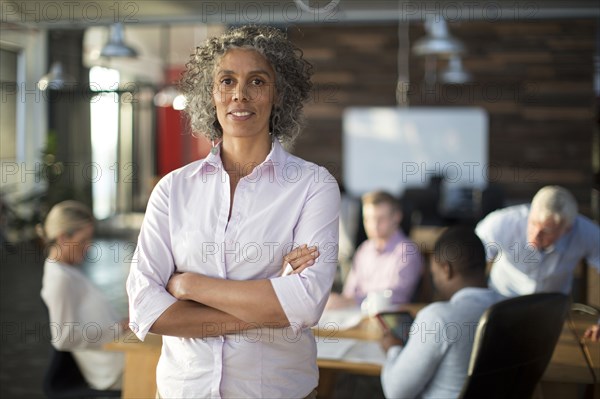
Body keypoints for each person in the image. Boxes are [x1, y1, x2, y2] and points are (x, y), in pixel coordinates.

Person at [126, 25, 340, 399]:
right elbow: (146, 308)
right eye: (227, 81)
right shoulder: (173, 189)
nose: (240, 94)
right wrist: (270, 306)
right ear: (211, 94)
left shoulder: (313, 185)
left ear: (278, 95)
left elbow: (304, 305)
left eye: (257, 81)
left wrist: (189, 286)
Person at [380, 226, 501, 399]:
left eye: (433, 273)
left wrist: (394, 348)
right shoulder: (513, 307)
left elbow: (395, 391)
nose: (435, 279)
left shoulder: (437, 318)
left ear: (446, 270)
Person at [39, 200, 126, 390]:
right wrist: (119, 328)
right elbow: (63, 338)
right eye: (83, 240)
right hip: (111, 371)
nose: (88, 247)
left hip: (117, 359)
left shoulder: (66, 271)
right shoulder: (59, 278)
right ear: (63, 238)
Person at [475, 185, 599, 297]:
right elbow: (469, 262)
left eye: (547, 231)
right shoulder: (502, 223)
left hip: (551, 306)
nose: (535, 235)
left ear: (566, 229)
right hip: (501, 299)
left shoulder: (584, 232)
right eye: (533, 223)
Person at [327, 190, 423, 310]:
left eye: (381, 219)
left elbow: (398, 296)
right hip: (357, 317)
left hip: (389, 321)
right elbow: (349, 292)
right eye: (368, 219)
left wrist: (352, 301)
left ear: (396, 217)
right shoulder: (364, 250)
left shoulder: (407, 252)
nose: (374, 225)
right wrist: (340, 301)